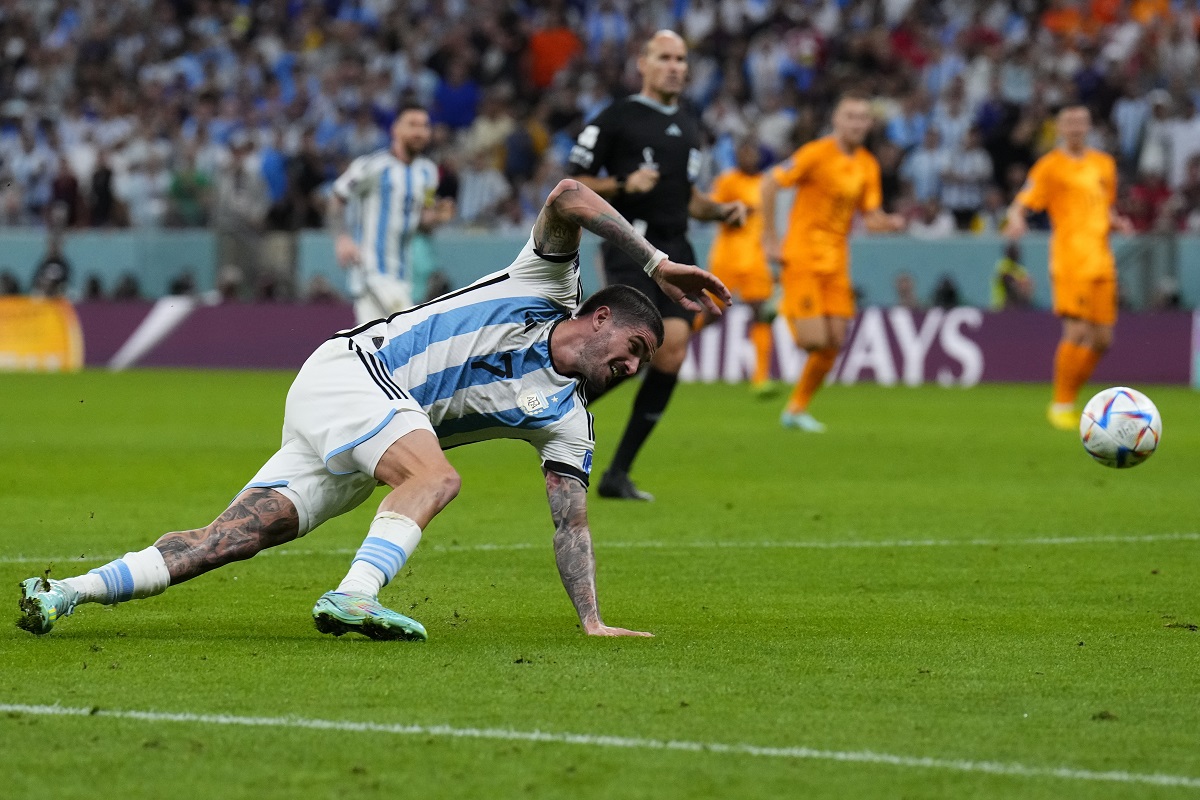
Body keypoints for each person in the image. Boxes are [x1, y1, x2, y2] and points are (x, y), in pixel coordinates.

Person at [17, 179, 731, 641]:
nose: (632, 368)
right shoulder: (544, 281)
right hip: (354, 373)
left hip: (373, 434)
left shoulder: (568, 416)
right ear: (599, 315)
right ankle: (355, 595)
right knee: (439, 478)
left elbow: (569, 520)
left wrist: (592, 619)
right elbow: (570, 193)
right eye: (633, 347)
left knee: (228, 538)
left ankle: (64, 592)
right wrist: (655, 259)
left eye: (640, 362)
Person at [567, 29, 746, 501]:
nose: (674, 66)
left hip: (678, 245)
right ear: (643, 64)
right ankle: (564, 406)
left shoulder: (689, 125)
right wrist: (625, 184)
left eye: (681, 59)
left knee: (667, 351)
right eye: (664, 57)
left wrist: (721, 210)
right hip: (632, 246)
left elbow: (689, 198)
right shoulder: (617, 117)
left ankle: (613, 468)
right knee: (647, 347)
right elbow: (572, 182)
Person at [761, 93, 906, 433]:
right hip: (803, 256)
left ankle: (796, 409)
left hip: (837, 261)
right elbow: (770, 183)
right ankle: (783, 303)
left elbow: (870, 217)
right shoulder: (815, 153)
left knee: (835, 342)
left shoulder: (868, 164)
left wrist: (889, 223)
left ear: (870, 124)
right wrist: (769, 237)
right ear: (837, 121)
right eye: (850, 116)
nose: (856, 123)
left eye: (862, 118)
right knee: (812, 341)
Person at [1004, 105, 1134, 430]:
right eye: (1069, 122)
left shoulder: (1104, 164)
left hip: (1102, 260)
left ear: (1089, 125)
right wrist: (1017, 218)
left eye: (1081, 121)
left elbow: (1105, 207)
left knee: (1103, 340)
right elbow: (1024, 200)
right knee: (1076, 332)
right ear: (1059, 128)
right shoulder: (1050, 167)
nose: (1076, 127)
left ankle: (1073, 399)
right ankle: (1061, 404)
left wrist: (1116, 222)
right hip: (1069, 260)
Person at [328, 103, 455, 325]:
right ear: (395, 129)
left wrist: (436, 217)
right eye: (412, 125)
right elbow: (337, 197)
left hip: (404, 274)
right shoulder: (373, 167)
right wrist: (342, 238)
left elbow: (420, 219)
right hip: (372, 270)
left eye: (424, 126)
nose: (419, 131)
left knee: (381, 350)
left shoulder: (428, 173)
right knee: (411, 330)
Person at [696, 135, 776, 393]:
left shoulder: (765, 184)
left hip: (754, 259)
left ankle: (760, 378)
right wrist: (735, 212)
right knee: (711, 316)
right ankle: (662, 351)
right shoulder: (727, 181)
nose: (749, 158)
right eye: (744, 153)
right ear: (738, 156)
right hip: (727, 259)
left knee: (761, 312)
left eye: (753, 153)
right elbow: (714, 211)